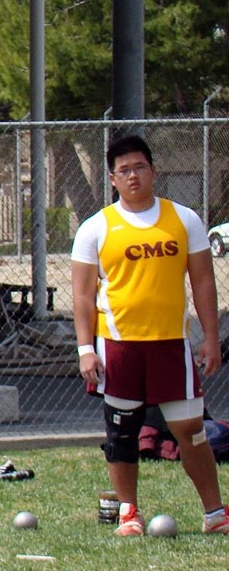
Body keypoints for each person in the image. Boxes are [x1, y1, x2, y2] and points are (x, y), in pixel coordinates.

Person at [71, 134, 229, 537]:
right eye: (124, 170)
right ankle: (129, 513)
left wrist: (210, 338)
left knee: (191, 433)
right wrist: (86, 349)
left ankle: (215, 514)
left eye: (140, 167)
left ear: (153, 171)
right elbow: (83, 296)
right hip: (119, 348)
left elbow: (204, 283)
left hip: (171, 347)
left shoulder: (184, 219)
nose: (133, 175)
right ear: (112, 179)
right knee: (121, 433)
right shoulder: (96, 228)